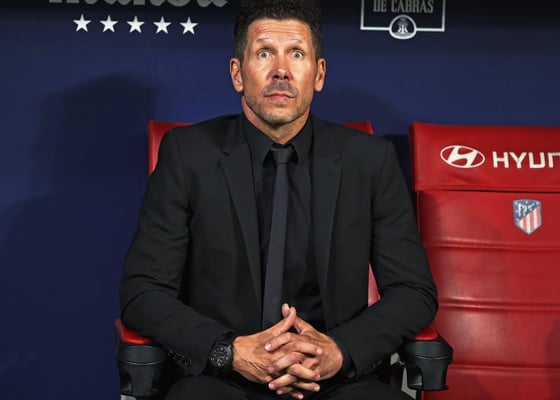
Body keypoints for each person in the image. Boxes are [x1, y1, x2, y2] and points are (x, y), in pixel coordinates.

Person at [119, 0, 438, 399]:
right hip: (221, 377)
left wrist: (339, 350)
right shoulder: (187, 154)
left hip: (336, 381)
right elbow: (143, 291)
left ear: (318, 74)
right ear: (238, 73)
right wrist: (229, 350)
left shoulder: (370, 161)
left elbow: (413, 291)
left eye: (297, 54)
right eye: (265, 53)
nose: (281, 70)